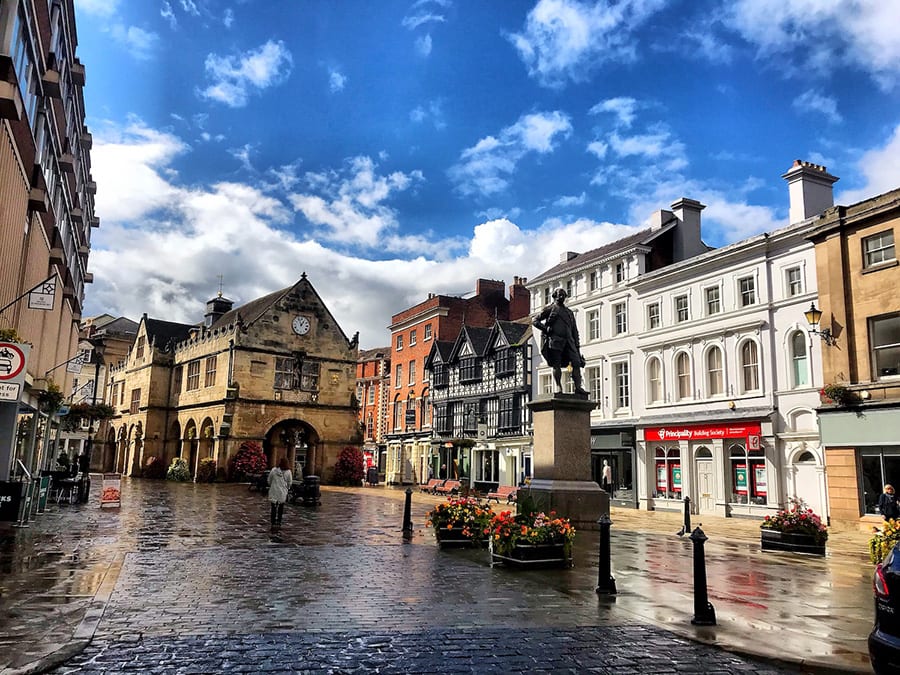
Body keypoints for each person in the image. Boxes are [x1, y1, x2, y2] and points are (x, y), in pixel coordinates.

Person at [533, 288, 587, 395]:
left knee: (576, 362)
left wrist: (577, 347)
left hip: (569, 342)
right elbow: (535, 321)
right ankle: (558, 386)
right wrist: (545, 329)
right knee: (556, 364)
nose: (562, 297)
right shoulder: (550, 309)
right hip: (555, 341)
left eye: (563, 295)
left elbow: (574, 331)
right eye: (560, 295)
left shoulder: (569, 313)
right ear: (554, 296)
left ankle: (578, 387)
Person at [268, 457, 293, 529]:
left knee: (273, 507)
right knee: (281, 507)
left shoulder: (273, 470)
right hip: (282, 491)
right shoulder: (288, 472)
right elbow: (289, 482)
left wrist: (272, 486)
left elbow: (269, 480)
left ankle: (273, 521)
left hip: (274, 490)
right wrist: (287, 488)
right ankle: (279, 520)